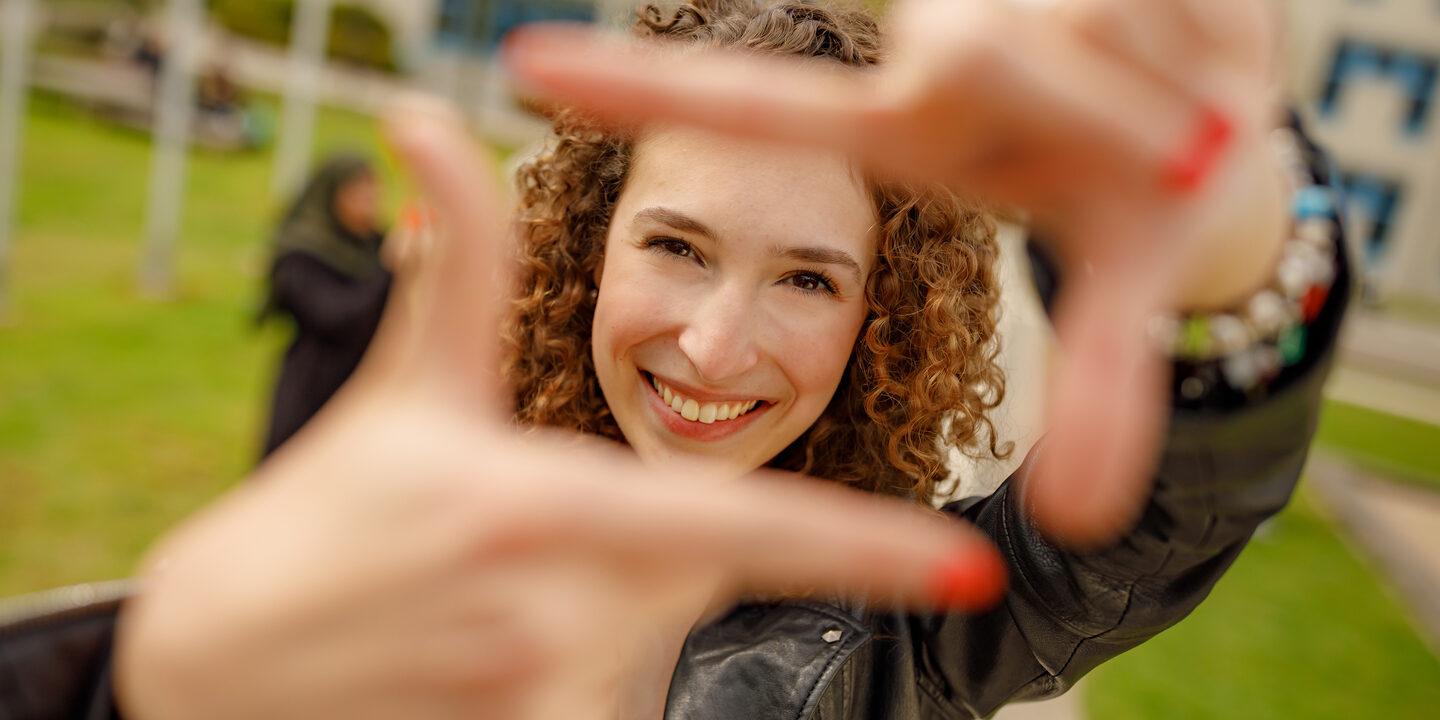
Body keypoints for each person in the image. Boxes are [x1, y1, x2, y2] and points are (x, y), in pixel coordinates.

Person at [0, 1, 1350, 718]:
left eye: (809, 277)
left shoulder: (899, 648)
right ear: (591, 248)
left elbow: (1160, 528)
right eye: (677, 247)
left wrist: (1243, 254)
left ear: (881, 319)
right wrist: (136, 692)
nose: (714, 344)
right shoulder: (389, 568)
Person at [259, 155, 392, 458]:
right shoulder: (302, 253)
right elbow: (334, 317)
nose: (368, 202)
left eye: (372, 193)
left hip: (367, 386)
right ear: (332, 195)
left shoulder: (374, 244)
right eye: (358, 193)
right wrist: (388, 270)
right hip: (313, 387)